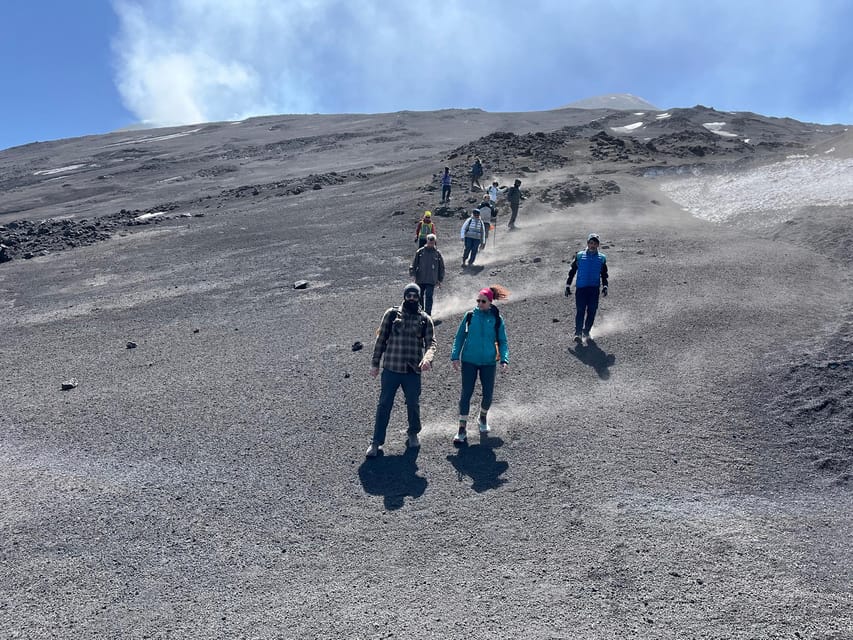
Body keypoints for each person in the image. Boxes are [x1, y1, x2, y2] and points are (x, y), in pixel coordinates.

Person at [367, 284, 437, 457]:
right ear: (404, 296)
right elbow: (381, 339)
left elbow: (431, 343)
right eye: (409, 296)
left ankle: (413, 433)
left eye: (415, 296)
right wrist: (375, 363)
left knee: (413, 404)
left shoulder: (424, 319)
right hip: (391, 368)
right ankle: (376, 442)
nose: (411, 299)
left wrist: (427, 358)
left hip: (412, 371)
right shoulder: (391, 314)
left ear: (419, 297)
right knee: (384, 405)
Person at [450, 285, 510, 445]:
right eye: (478, 300)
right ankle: (462, 428)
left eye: (483, 301)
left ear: (490, 302)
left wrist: (504, 359)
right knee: (466, 394)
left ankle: (482, 416)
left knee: (488, 394)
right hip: (469, 360)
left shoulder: (497, 319)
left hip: (489, 362)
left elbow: (503, 341)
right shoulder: (470, 316)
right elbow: (459, 337)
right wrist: (455, 356)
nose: (479, 303)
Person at [564, 233, 609, 345]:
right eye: (590, 243)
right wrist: (568, 285)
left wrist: (605, 286)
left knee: (592, 311)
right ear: (587, 243)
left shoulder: (602, 258)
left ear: (598, 245)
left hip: (594, 289)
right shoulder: (579, 256)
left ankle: (586, 331)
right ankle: (578, 333)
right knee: (580, 311)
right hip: (581, 289)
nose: (592, 245)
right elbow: (572, 272)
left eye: (595, 243)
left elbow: (604, 274)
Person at [409, 234, 445, 315]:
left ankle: (428, 314)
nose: (430, 245)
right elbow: (414, 264)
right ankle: (421, 311)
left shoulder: (437, 254)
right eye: (429, 243)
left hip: (431, 280)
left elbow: (441, 267)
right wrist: (413, 274)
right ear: (427, 241)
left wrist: (440, 279)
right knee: (419, 296)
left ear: (434, 242)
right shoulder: (420, 252)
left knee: (429, 296)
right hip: (420, 279)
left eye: (432, 243)